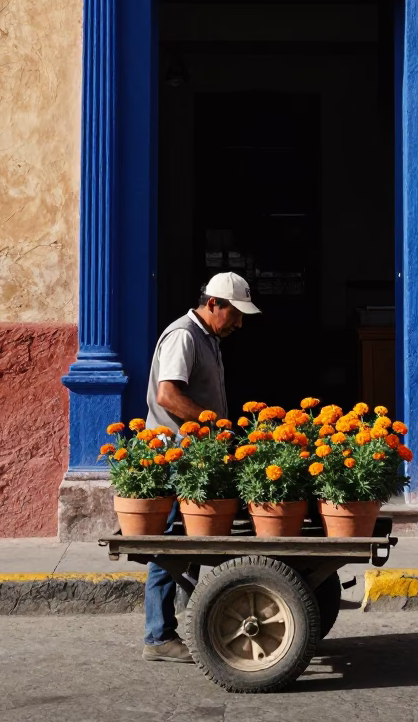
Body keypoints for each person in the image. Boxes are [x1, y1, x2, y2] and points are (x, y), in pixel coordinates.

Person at [142, 271, 261, 662]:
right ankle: (159, 637)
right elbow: (168, 395)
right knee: (173, 544)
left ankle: (189, 624)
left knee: (188, 544)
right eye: (235, 314)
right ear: (213, 303)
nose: (240, 323)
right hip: (176, 456)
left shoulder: (206, 337)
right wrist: (214, 425)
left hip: (193, 455)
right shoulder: (183, 336)